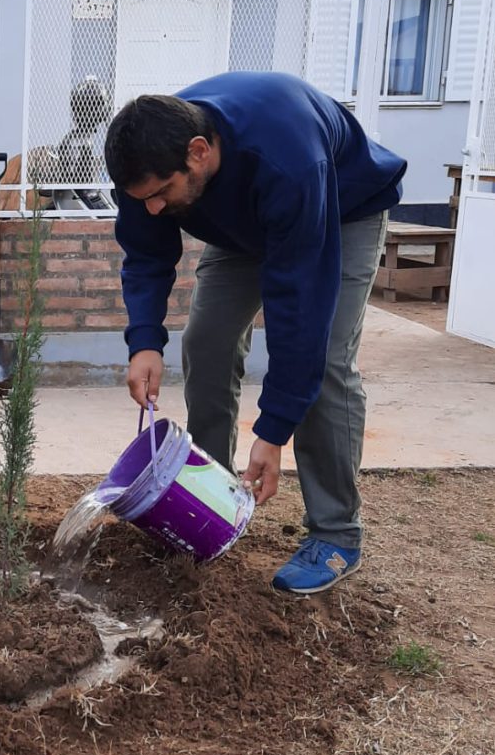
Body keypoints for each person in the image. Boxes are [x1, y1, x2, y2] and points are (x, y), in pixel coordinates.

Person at [104, 72, 406, 594]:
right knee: (207, 342)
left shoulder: (287, 159)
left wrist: (273, 432)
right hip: (242, 224)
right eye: (142, 198)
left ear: (198, 153)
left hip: (338, 210)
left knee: (327, 360)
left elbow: (299, 308)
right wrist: (145, 342)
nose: (153, 208)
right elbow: (147, 253)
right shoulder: (148, 165)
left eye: (160, 195)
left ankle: (336, 535)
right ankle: (211, 498)